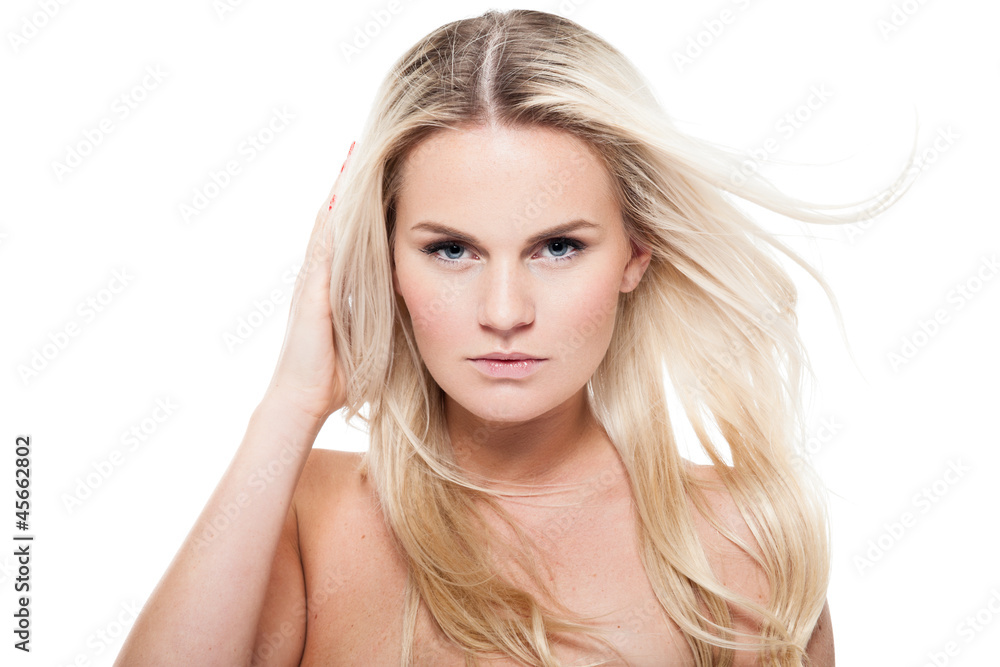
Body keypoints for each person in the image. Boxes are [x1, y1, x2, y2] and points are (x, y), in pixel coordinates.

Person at [115, 9, 916, 666]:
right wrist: (290, 405)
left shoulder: (739, 544)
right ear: (386, 259)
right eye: (451, 250)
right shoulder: (301, 516)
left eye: (557, 247)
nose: (504, 310)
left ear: (636, 251)